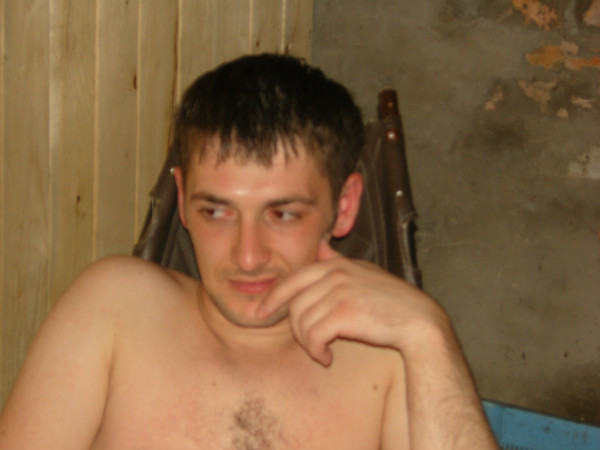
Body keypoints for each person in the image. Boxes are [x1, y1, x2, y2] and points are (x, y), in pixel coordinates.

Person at [0, 54, 497, 450]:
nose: (248, 256)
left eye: (283, 214)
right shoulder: (115, 309)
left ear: (344, 206)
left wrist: (430, 333)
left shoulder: (389, 360)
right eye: (217, 211)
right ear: (183, 200)